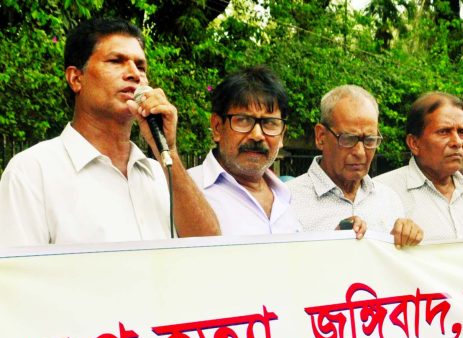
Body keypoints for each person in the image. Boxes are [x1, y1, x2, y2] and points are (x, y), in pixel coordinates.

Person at [0, 17, 219, 246]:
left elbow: (208, 246)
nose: (134, 73)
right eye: (116, 61)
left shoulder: (159, 173)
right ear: (76, 78)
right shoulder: (32, 172)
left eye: (141, 66)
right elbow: (19, 277)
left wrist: (169, 151)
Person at [287, 85, 422, 246]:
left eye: (370, 140)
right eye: (348, 139)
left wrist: (404, 242)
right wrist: (330, 244)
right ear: (321, 136)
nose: (360, 152)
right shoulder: (287, 201)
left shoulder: (389, 200)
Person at [188, 66, 303, 236]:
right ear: (217, 127)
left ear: (282, 135)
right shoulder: (187, 190)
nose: (257, 135)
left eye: (269, 123)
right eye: (243, 120)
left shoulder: (287, 196)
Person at [375, 91, 463, 241]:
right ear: (414, 143)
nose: (457, 142)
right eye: (444, 132)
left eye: (462, 132)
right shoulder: (381, 193)